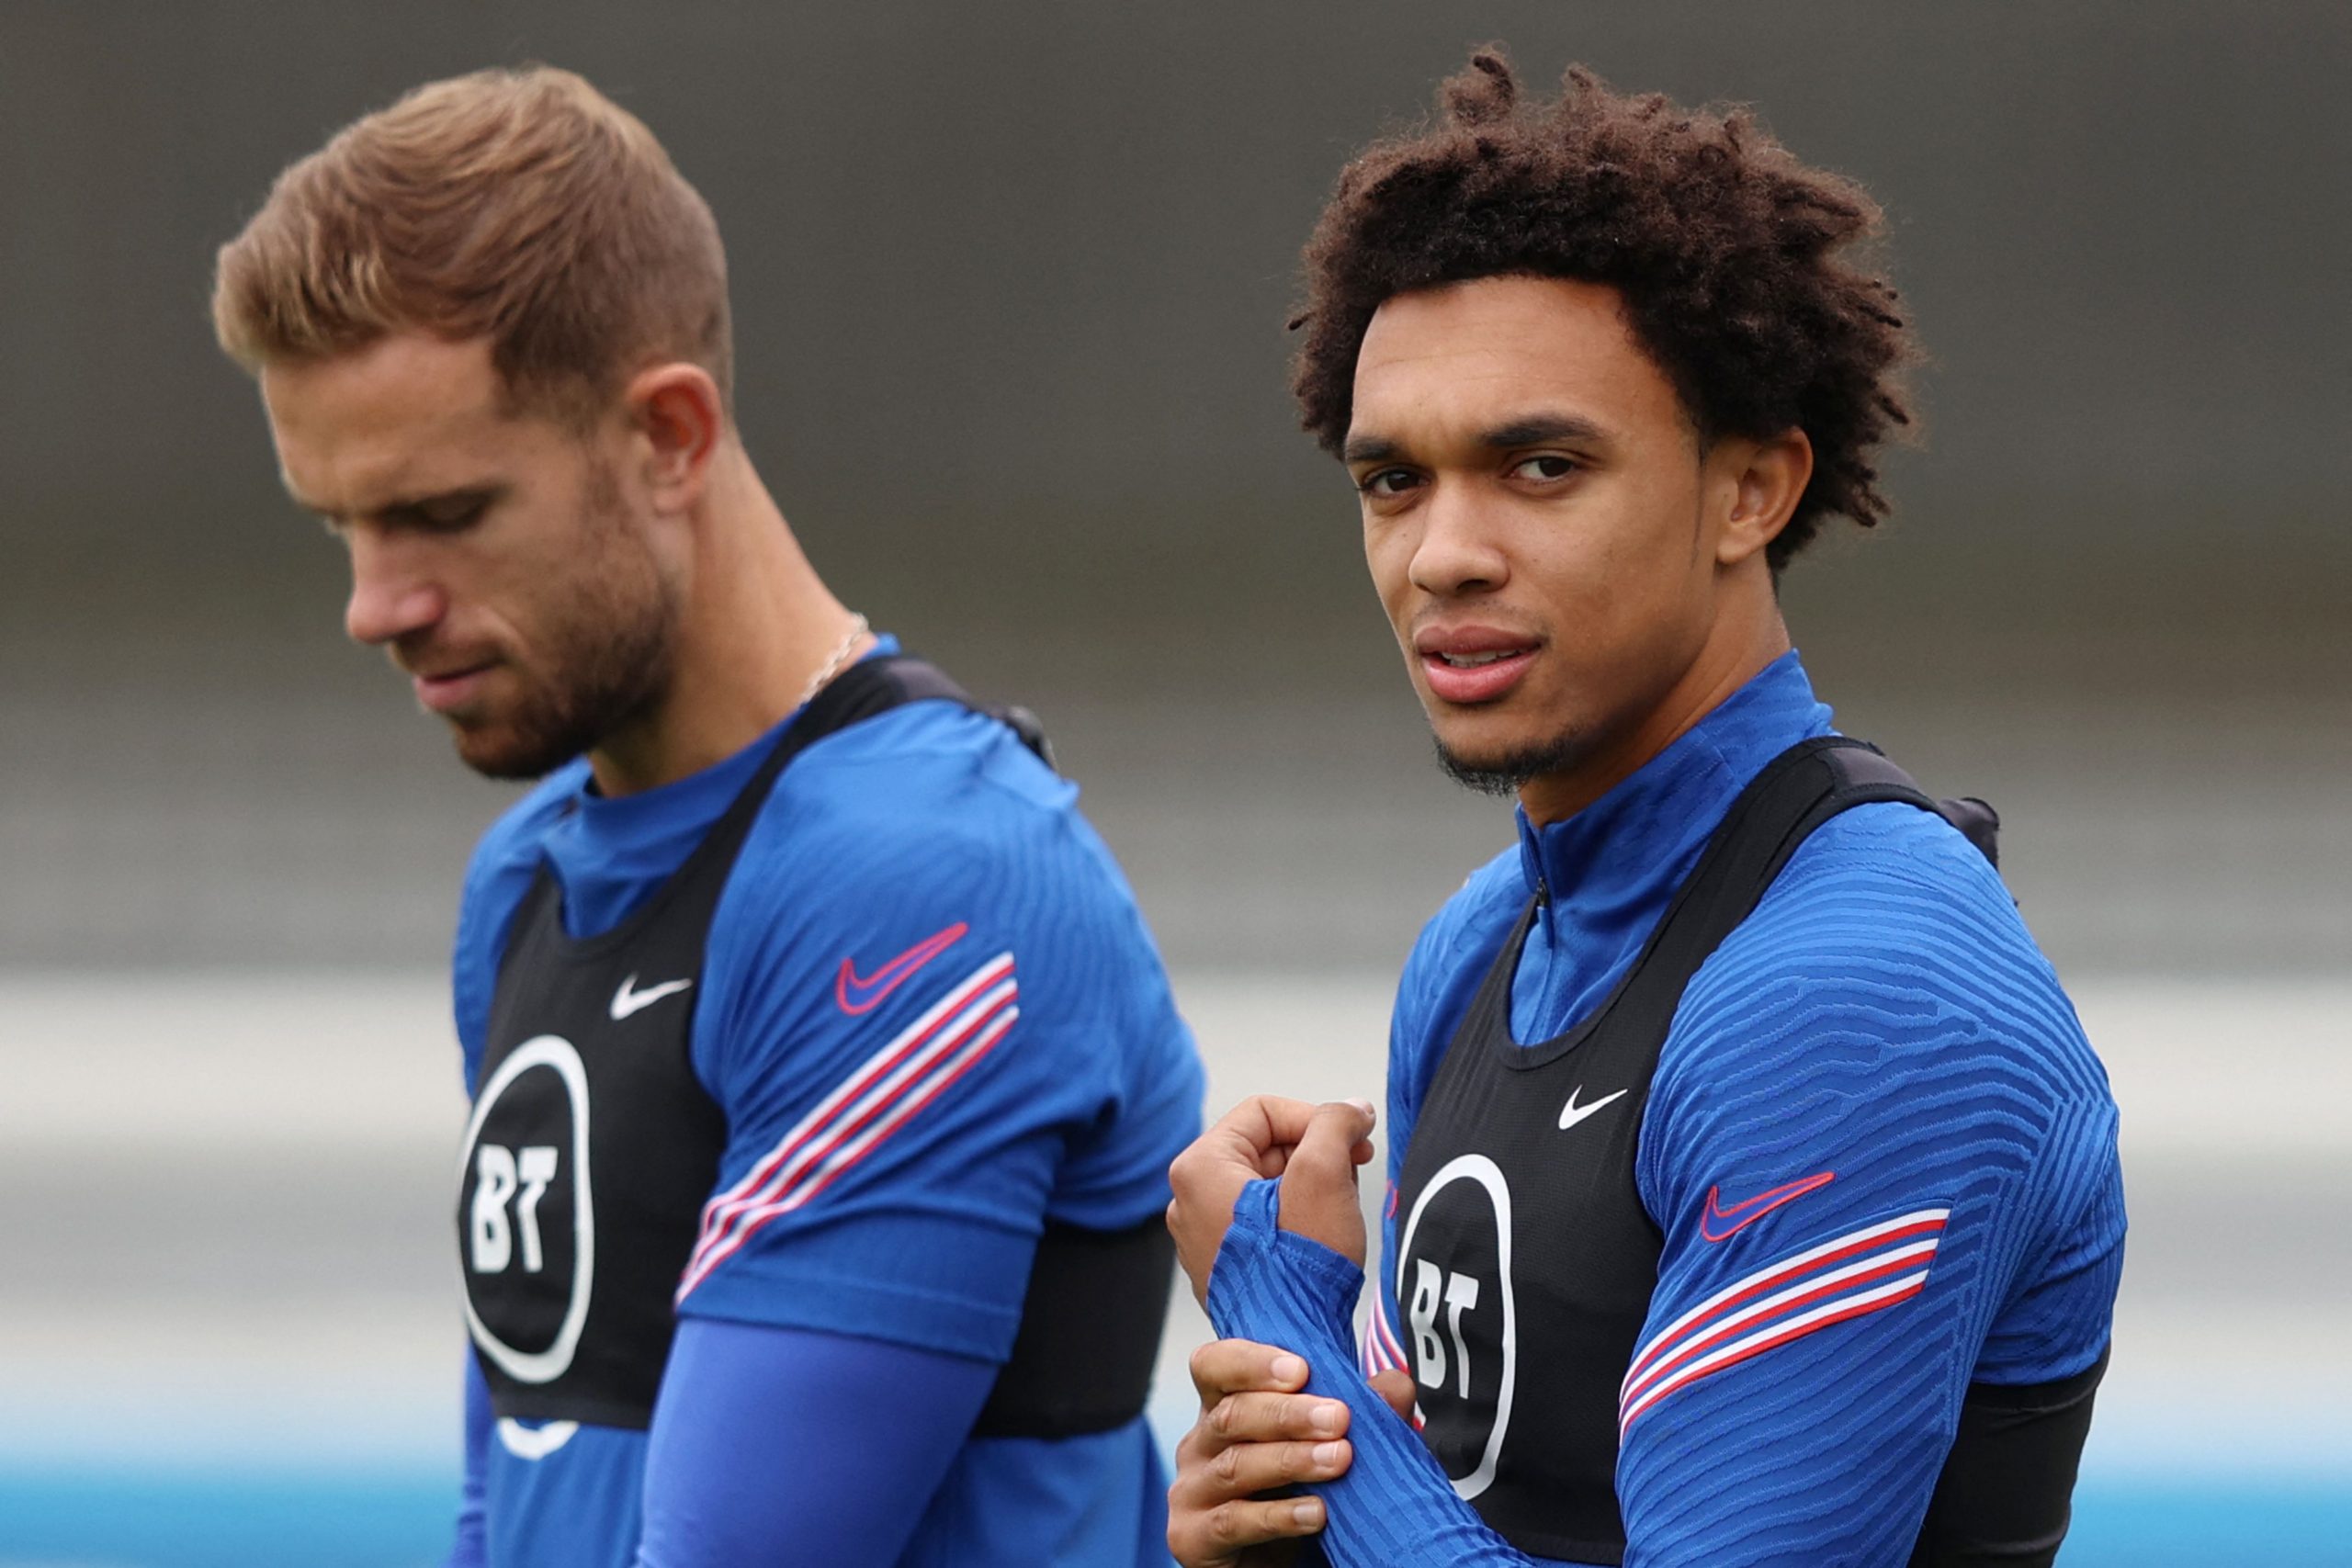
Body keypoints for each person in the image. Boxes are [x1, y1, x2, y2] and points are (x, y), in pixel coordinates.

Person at [211, 66, 1203, 1568]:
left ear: (669, 435)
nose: (373, 606)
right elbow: (515, 1489)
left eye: (445, 513)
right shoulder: (528, 879)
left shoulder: (921, 885)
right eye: (341, 525)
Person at [1163, 51, 2123, 1568]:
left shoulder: (1854, 1001)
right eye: (1393, 482)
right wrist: (1276, 1506)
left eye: (1541, 466)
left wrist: (1287, 1328)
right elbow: (1470, 1510)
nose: (1442, 556)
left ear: (1750, 491)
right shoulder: (1477, 953)